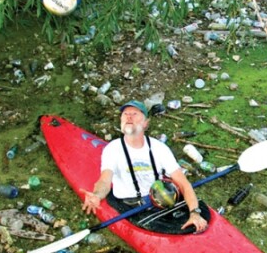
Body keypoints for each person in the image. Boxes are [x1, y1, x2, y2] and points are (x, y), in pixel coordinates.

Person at [81, 100, 208, 233]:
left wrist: (195, 213)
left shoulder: (160, 148)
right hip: (129, 205)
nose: (129, 117)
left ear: (146, 123)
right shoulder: (112, 149)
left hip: (160, 198)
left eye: (135, 114)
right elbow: (105, 180)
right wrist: (97, 195)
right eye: (125, 114)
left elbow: (183, 184)